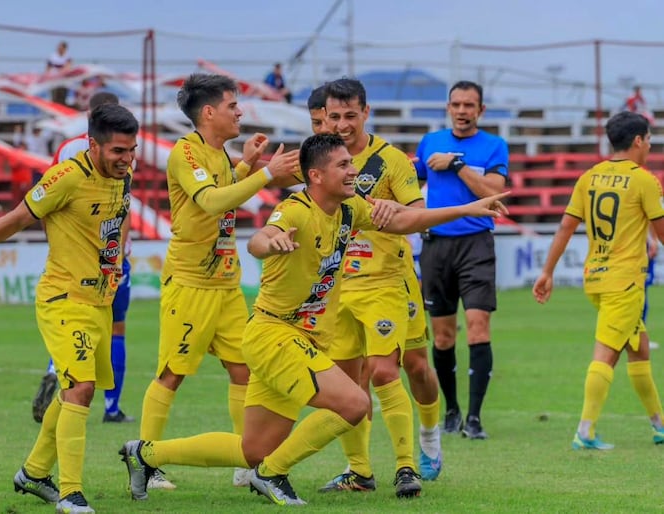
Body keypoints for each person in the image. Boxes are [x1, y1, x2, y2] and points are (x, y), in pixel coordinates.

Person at [118, 133, 508, 506]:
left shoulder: (349, 208)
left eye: (352, 163)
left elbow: (405, 222)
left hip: (290, 340)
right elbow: (259, 239)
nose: (353, 170)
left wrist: (468, 209)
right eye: (343, 165)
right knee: (355, 404)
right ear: (316, 175)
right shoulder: (295, 210)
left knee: (251, 448)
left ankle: (145, 453)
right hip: (276, 336)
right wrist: (269, 243)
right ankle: (272, 474)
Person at [0, 103, 139, 514]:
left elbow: (120, 217)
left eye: (131, 150)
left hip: (99, 299)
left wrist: (117, 260)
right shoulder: (66, 177)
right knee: (79, 389)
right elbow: (14, 220)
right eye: (118, 150)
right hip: (63, 299)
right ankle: (70, 493)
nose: (126, 159)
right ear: (93, 145)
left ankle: (33, 473)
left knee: (77, 390)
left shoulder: (124, 177)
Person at [134, 73, 300, 490]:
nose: (240, 111)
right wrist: (264, 174)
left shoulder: (220, 156)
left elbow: (225, 187)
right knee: (173, 373)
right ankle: (147, 459)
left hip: (226, 283)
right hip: (190, 283)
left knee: (244, 370)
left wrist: (245, 164)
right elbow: (210, 201)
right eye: (232, 105)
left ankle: (247, 460)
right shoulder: (185, 154)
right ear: (208, 112)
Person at [317, 78, 442, 497]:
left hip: (389, 280)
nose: (342, 124)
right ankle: (359, 471)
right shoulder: (319, 157)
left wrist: (397, 207)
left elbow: (418, 212)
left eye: (350, 115)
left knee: (408, 367)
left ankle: (417, 454)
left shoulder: (390, 160)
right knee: (350, 385)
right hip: (339, 286)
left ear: (365, 113)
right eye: (334, 116)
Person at [532, 111, 664, 450]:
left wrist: (547, 271)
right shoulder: (644, 180)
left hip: (596, 278)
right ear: (638, 141)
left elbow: (565, 226)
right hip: (626, 283)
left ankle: (659, 425)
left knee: (639, 348)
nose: (650, 146)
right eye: (649, 140)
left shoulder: (590, 177)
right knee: (606, 354)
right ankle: (585, 431)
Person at [31, 92, 136, 425]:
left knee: (76, 324)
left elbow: (48, 203)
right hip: (109, 258)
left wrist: (57, 242)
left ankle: (55, 369)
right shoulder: (120, 151)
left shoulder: (69, 149)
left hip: (78, 257)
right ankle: (112, 407)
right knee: (116, 329)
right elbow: (122, 204)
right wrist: (120, 250)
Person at [414, 80, 508, 440]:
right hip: (437, 246)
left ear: (481, 110)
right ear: (448, 107)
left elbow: (495, 193)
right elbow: (411, 189)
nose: (462, 111)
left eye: (470, 105)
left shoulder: (494, 146)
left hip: (476, 245)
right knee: (441, 337)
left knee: (479, 327)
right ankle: (451, 410)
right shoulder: (430, 142)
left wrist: (457, 166)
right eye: (456, 104)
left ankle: (475, 417)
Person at [46, 41, 72, 106]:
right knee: (54, 98)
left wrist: (60, 72)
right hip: (53, 81)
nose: (59, 48)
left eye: (61, 47)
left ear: (64, 48)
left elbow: (68, 67)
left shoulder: (67, 57)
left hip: (63, 81)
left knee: (62, 99)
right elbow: (48, 68)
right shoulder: (52, 56)